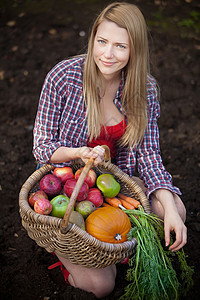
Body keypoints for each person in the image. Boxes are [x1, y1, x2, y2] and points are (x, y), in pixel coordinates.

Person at [33, 2, 187, 298]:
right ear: (92, 39)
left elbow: (149, 157)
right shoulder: (64, 77)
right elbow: (42, 146)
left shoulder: (145, 89)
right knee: (101, 287)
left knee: (174, 209)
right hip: (70, 190)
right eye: (101, 41)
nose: (107, 54)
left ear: (135, 51)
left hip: (116, 187)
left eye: (120, 46)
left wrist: (170, 210)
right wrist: (77, 152)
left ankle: (116, 249)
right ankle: (68, 250)